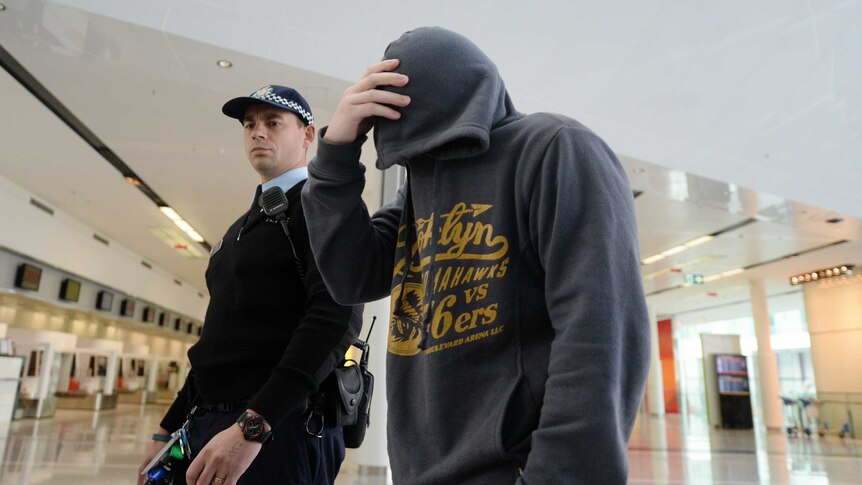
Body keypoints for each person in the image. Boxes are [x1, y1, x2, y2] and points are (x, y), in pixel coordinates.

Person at [301, 27, 650, 484]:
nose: (426, 162)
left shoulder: (555, 148)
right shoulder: (416, 189)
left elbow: (602, 330)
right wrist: (337, 155)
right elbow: (353, 276)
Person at [138, 85, 362, 485]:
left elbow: (333, 321)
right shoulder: (239, 229)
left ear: (308, 135)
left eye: (273, 123)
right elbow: (219, 339)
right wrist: (167, 428)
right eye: (250, 124)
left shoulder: (323, 205)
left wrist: (254, 426)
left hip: (276, 427)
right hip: (210, 423)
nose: (258, 132)